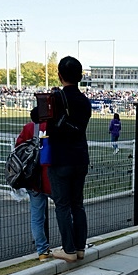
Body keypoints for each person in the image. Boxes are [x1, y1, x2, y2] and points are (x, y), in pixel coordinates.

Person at [30, 55, 92, 263]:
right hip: (80, 157)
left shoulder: (55, 99)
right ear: (80, 76)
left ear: (59, 75)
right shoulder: (85, 101)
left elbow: (35, 115)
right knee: (78, 204)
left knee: (63, 205)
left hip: (60, 159)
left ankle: (69, 249)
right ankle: (80, 247)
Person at [15, 120, 52, 261]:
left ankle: (42, 251)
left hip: (33, 179)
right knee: (66, 209)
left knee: (37, 217)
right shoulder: (54, 124)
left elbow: (18, 148)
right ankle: (70, 245)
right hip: (51, 177)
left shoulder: (30, 127)